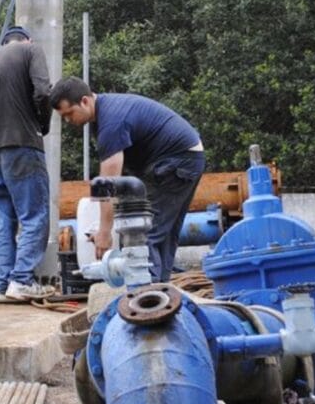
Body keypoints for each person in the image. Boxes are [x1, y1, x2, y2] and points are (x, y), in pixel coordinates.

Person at [50, 77, 205, 283]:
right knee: (163, 234)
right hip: (186, 158)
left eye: (69, 113)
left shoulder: (112, 122)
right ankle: (160, 289)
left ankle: (146, 296)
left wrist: (105, 233)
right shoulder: (104, 113)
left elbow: (108, 184)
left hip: (176, 162)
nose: (68, 121)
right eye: (63, 117)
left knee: (142, 233)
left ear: (85, 101)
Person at [0, 25, 55, 301]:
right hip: (22, 144)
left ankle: (1, 284)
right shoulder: (32, 50)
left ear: (4, 42)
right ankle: (21, 280)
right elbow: (43, 92)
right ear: (26, 39)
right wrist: (42, 125)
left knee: (3, 221)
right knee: (34, 215)